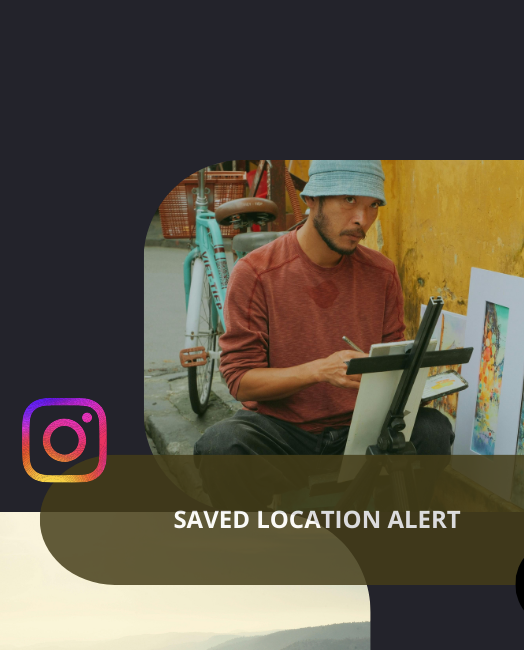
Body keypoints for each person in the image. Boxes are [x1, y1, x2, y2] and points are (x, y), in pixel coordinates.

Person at [193, 160, 453, 508]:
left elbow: (393, 359)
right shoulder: (256, 273)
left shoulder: (382, 274)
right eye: (349, 199)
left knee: (434, 430)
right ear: (312, 199)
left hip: (360, 429)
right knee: (220, 447)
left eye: (372, 204)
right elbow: (240, 380)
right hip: (285, 434)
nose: (362, 218)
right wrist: (318, 371)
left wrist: (409, 380)